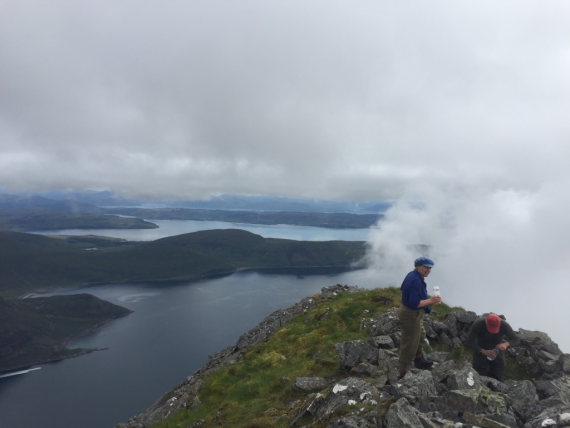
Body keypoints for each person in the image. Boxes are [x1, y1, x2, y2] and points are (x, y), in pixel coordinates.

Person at [398, 256, 442, 379]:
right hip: (410, 314)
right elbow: (415, 303)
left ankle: (418, 359)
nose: (428, 270)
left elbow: (404, 289)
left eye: (429, 268)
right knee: (410, 343)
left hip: (414, 314)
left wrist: (428, 300)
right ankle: (402, 372)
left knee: (421, 335)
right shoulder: (415, 280)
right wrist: (432, 300)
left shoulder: (414, 275)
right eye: (425, 267)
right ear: (418, 267)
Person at [467, 313, 519, 381]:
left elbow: (516, 339)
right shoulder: (478, 324)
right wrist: (483, 351)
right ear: (486, 322)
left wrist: (505, 344)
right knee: (479, 376)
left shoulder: (504, 325)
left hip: (496, 351)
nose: (492, 332)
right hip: (480, 351)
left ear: (499, 323)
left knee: (498, 375)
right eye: (491, 328)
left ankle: (496, 389)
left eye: (495, 329)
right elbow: (470, 341)